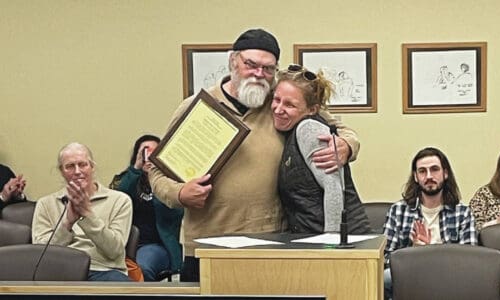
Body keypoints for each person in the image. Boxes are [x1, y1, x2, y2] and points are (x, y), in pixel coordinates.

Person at [149, 28, 360, 282]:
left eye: (268, 68)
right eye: (251, 64)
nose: (259, 74)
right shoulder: (197, 107)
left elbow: (342, 130)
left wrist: (347, 147)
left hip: (272, 240)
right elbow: (156, 169)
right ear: (233, 61)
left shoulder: (280, 102)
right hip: (207, 245)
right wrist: (180, 193)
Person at [273, 64, 370, 234]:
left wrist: (331, 246)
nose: (278, 109)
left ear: (312, 110)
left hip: (340, 243)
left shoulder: (309, 129)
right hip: (313, 236)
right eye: (276, 99)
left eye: (290, 105)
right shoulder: (293, 129)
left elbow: (334, 189)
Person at [382, 147, 477, 299]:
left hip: (449, 276)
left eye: (434, 170)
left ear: (445, 174)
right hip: (410, 275)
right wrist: (413, 252)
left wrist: (430, 254)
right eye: (422, 171)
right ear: (415, 176)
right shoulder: (398, 210)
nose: (429, 176)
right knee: (384, 278)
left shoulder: (462, 213)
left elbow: (470, 259)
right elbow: (385, 257)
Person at [32, 142, 133, 281]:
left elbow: (115, 251)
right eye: (70, 166)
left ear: (92, 167)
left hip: (103, 270)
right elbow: (41, 257)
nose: (77, 171)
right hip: (60, 272)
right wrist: (66, 224)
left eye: (83, 164)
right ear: (61, 171)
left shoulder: (120, 200)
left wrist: (88, 215)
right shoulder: (45, 204)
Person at [110, 134, 184, 281]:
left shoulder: (172, 183)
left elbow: (174, 212)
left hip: (157, 246)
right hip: (124, 245)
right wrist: (136, 168)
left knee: (143, 268)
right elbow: (117, 200)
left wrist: (156, 177)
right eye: (144, 152)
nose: (149, 157)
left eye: (154, 153)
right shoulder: (127, 179)